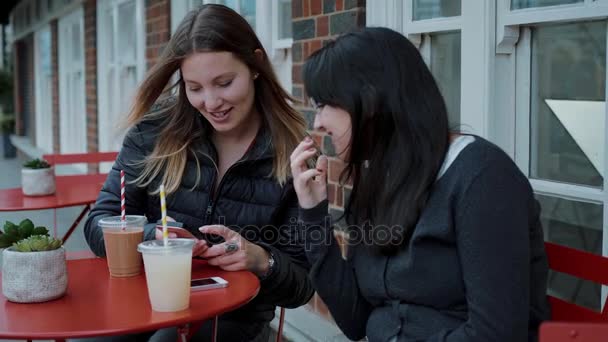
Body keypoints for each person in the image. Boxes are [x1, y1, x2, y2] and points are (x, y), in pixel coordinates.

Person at [290, 27, 551, 342]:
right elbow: (355, 319)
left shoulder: (482, 178)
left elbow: (495, 333)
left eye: (323, 105)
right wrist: (312, 214)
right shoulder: (380, 178)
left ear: (369, 100)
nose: (317, 123)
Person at [84, 4, 313, 341]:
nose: (211, 102)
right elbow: (98, 223)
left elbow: (302, 286)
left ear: (255, 65)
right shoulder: (152, 135)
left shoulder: (292, 155)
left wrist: (261, 259)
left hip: (234, 315)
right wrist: (152, 238)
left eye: (224, 83)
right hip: (144, 299)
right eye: (194, 87)